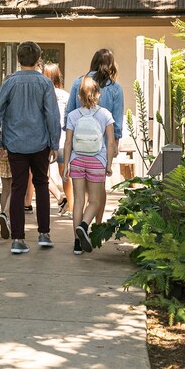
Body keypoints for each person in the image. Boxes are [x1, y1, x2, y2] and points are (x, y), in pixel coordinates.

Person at [0, 41, 61, 254]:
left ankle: (18, 239)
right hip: (40, 143)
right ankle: (44, 234)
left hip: (15, 143)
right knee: (42, 185)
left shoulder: (9, 83)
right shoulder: (45, 84)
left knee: (18, 188)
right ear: (38, 60)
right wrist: (54, 143)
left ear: (19, 59)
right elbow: (52, 115)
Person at [63, 76, 117, 255]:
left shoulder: (73, 115)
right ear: (98, 94)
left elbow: (68, 142)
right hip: (96, 161)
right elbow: (110, 143)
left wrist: (65, 167)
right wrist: (108, 164)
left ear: (79, 96)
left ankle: (77, 244)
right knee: (95, 201)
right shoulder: (105, 115)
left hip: (77, 161)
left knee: (78, 201)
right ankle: (85, 225)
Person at [65, 48, 124, 204]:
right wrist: (115, 143)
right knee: (99, 187)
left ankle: (83, 222)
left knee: (81, 189)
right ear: (111, 65)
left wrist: (68, 139)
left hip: (78, 144)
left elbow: (69, 112)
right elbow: (117, 121)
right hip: (103, 146)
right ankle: (97, 224)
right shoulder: (116, 89)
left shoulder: (79, 82)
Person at [41, 62, 71, 216]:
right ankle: (71, 205)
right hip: (63, 139)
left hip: (46, 138)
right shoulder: (66, 95)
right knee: (65, 174)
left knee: (42, 174)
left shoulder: (43, 93)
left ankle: (60, 199)